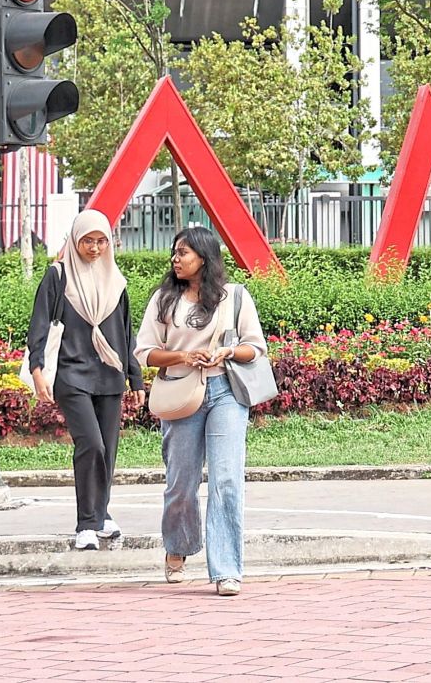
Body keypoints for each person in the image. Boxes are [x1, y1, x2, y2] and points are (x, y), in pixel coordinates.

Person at [134, 226, 268, 596]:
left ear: (204, 258)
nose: (176, 260)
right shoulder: (163, 300)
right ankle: (177, 546)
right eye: (175, 253)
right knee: (182, 481)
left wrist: (227, 352)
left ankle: (227, 570)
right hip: (180, 391)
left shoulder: (234, 297)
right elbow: (144, 351)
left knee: (226, 479)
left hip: (225, 389)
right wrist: (182, 355)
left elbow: (255, 348)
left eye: (184, 253)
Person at [27, 209, 146, 551]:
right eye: (87, 241)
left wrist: (135, 379)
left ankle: (102, 515)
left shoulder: (115, 280)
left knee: (108, 449)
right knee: (90, 444)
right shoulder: (58, 276)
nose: (94, 248)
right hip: (71, 374)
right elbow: (39, 324)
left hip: (109, 375)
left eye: (101, 241)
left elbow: (126, 334)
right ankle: (86, 523)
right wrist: (38, 370)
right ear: (74, 240)